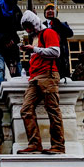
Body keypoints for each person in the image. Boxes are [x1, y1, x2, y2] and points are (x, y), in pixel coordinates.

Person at [16, 10, 64, 154]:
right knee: (26, 109)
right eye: (26, 28)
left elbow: (56, 52)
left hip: (48, 75)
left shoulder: (48, 33)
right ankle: (35, 144)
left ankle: (58, 146)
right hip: (35, 77)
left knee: (53, 110)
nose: (27, 30)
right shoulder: (36, 37)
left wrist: (34, 49)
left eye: (29, 27)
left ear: (35, 23)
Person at [44, 3, 74, 80]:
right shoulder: (42, 25)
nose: (50, 10)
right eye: (48, 9)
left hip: (60, 57)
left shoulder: (62, 24)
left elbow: (70, 33)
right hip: (46, 56)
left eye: (52, 9)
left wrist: (58, 23)